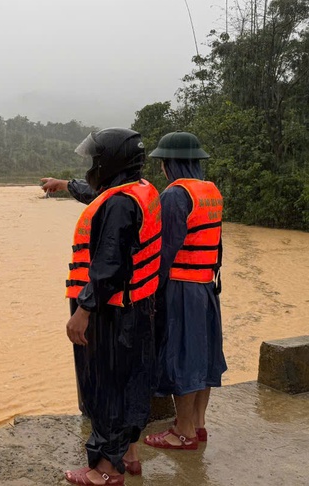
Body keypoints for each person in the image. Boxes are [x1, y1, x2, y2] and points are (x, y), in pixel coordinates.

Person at [56, 128, 161, 485]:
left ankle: (106, 471)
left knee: (104, 388)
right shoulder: (139, 191)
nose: (92, 166)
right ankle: (129, 455)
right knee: (131, 382)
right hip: (136, 307)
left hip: (110, 312)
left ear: (110, 161)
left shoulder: (118, 204)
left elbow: (108, 266)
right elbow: (98, 197)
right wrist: (65, 185)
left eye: (95, 159)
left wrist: (83, 310)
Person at [142, 131, 227, 451]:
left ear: (170, 165)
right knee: (203, 358)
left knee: (183, 358)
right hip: (206, 286)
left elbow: (163, 252)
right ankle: (199, 424)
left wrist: (151, 293)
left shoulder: (175, 196)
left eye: (164, 164)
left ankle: (183, 431)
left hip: (181, 289)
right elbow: (216, 243)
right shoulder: (211, 191)